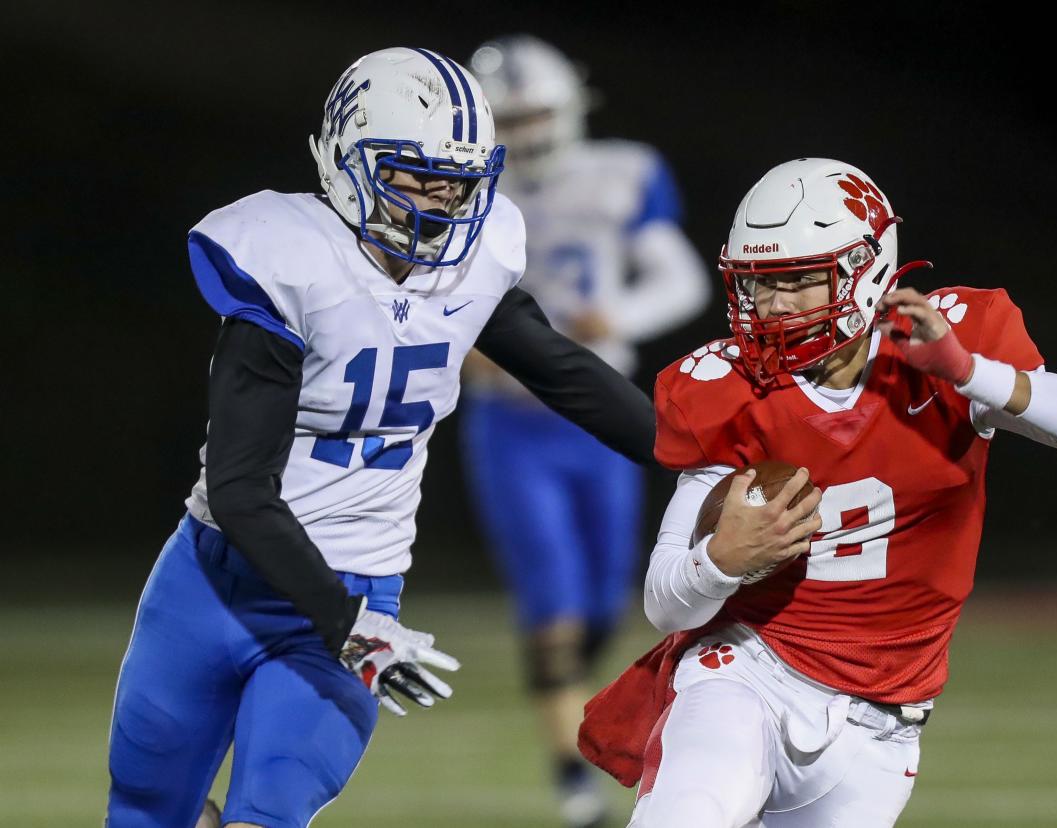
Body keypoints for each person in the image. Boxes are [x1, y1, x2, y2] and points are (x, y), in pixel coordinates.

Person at [105, 46, 659, 828]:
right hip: (216, 580)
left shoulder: (471, 265)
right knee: (146, 813)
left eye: (456, 179)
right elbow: (239, 488)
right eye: (414, 174)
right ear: (345, 157)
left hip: (358, 585)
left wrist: (704, 451)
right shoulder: (289, 260)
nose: (441, 200)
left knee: (271, 813)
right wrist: (347, 624)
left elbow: (566, 373)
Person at [578, 158, 1057, 827]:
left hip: (883, 717)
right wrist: (720, 561)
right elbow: (664, 603)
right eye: (758, 285)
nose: (773, 307)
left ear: (865, 271)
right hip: (747, 669)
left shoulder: (947, 343)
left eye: (796, 282)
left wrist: (972, 373)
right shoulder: (726, 387)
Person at [461, 35, 709, 828]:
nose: (526, 132)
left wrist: (620, 318)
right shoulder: (456, 188)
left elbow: (680, 277)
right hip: (511, 425)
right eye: (509, 118)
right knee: (554, 606)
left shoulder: (621, 173)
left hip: (599, 417)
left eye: (535, 113)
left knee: (608, 600)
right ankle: (574, 786)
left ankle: (583, 727)